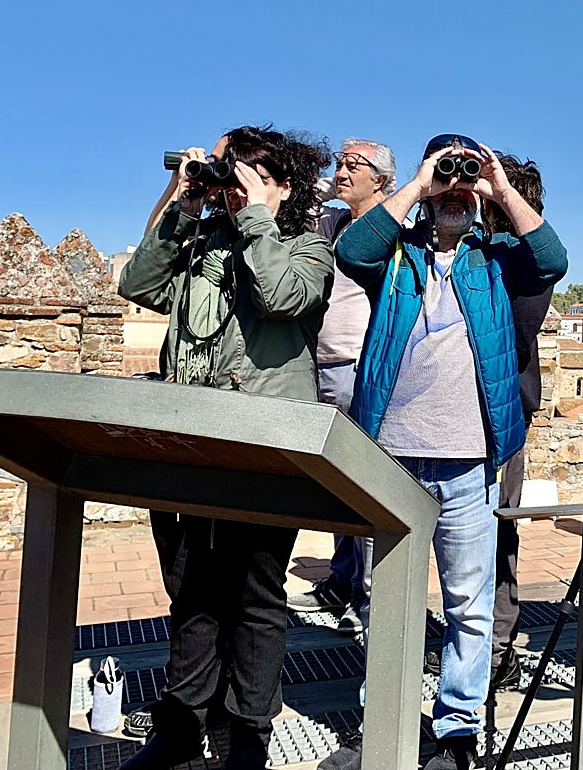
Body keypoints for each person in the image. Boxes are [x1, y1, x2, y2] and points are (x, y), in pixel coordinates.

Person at [319, 134, 568, 770]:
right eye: (446, 173)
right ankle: (386, 716)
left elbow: (553, 258)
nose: (455, 188)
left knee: (468, 605)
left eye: (465, 173)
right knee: (386, 602)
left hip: (470, 460)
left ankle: (457, 730)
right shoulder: (396, 255)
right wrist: (420, 184)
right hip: (393, 457)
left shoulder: (496, 257)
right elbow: (351, 248)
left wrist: (498, 187)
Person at [117, 126, 336, 770]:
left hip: (266, 445)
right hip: (192, 439)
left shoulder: (308, 244)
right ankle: (182, 724)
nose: (235, 186)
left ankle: (248, 733)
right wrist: (181, 207)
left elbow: (282, 297)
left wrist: (255, 220)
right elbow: (137, 286)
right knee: (190, 589)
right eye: (229, 173)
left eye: (254, 175)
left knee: (256, 595)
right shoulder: (201, 239)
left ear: (284, 186)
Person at [288, 138, 397, 637]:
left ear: (383, 180)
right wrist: (321, 182)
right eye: (340, 163)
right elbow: (297, 202)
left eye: (356, 165)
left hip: (361, 368)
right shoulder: (331, 224)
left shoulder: (391, 231)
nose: (343, 171)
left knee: (368, 486)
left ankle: (371, 598)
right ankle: (341, 580)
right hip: (319, 365)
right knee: (337, 483)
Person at [482, 154, 554, 691]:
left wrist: (502, 198)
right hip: (443, 417)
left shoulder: (525, 263)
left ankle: (499, 647)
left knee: (496, 530)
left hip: (501, 417)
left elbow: (518, 324)